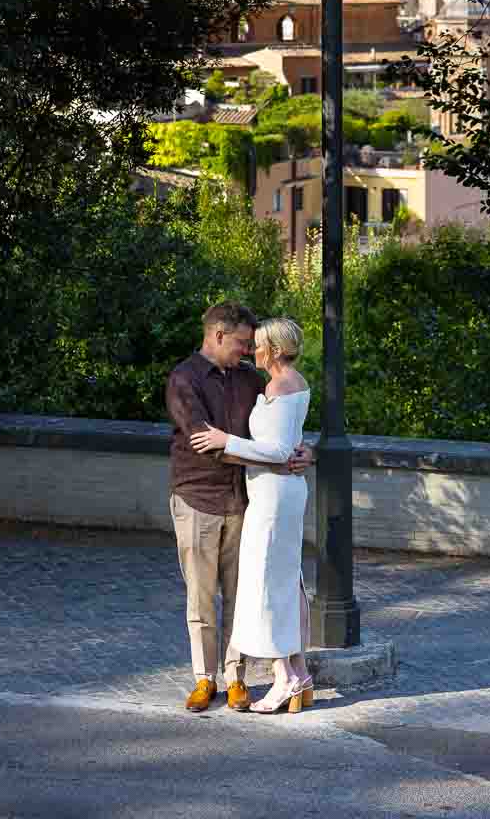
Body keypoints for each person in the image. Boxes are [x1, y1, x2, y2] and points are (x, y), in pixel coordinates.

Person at [166, 301, 312, 714]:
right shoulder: (184, 379)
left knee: (240, 594)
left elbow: (282, 430)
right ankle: (203, 678)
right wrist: (279, 458)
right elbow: (203, 443)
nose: (248, 351)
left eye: (252, 344)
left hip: (245, 500)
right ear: (217, 336)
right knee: (200, 595)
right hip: (197, 497)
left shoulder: (251, 379)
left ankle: (236, 677)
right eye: (241, 343)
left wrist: (304, 452)